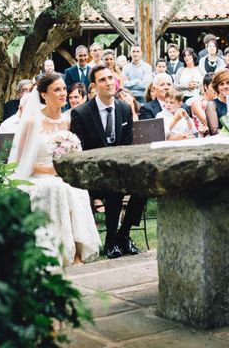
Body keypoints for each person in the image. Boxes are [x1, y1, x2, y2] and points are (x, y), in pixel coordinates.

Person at [8, 73, 101, 265]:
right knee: (57, 188)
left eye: (64, 89)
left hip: (61, 175)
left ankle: (77, 250)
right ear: (43, 94)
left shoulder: (67, 121)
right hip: (35, 176)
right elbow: (18, 162)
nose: (63, 93)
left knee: (77, 189)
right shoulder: (33, 122)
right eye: (57, 89)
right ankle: (63, 253)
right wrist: (50, 171)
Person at [70, 65, 144, 259]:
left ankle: (124, 235)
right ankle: (111, 241)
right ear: (94, 85)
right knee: (114, 189)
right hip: (93, 176)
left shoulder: (124, 109)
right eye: (102, 80)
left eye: (111, 78)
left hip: (119, 171)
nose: (109, 82)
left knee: (143, 185)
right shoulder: (82, 113)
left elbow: (126, 147)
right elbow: (81, 152)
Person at [206, 70, 229, 136]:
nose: (225, 87)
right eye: (221, 84)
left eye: (228, 83)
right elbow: (214, 132)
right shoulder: (212, 105)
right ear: (217, 88)